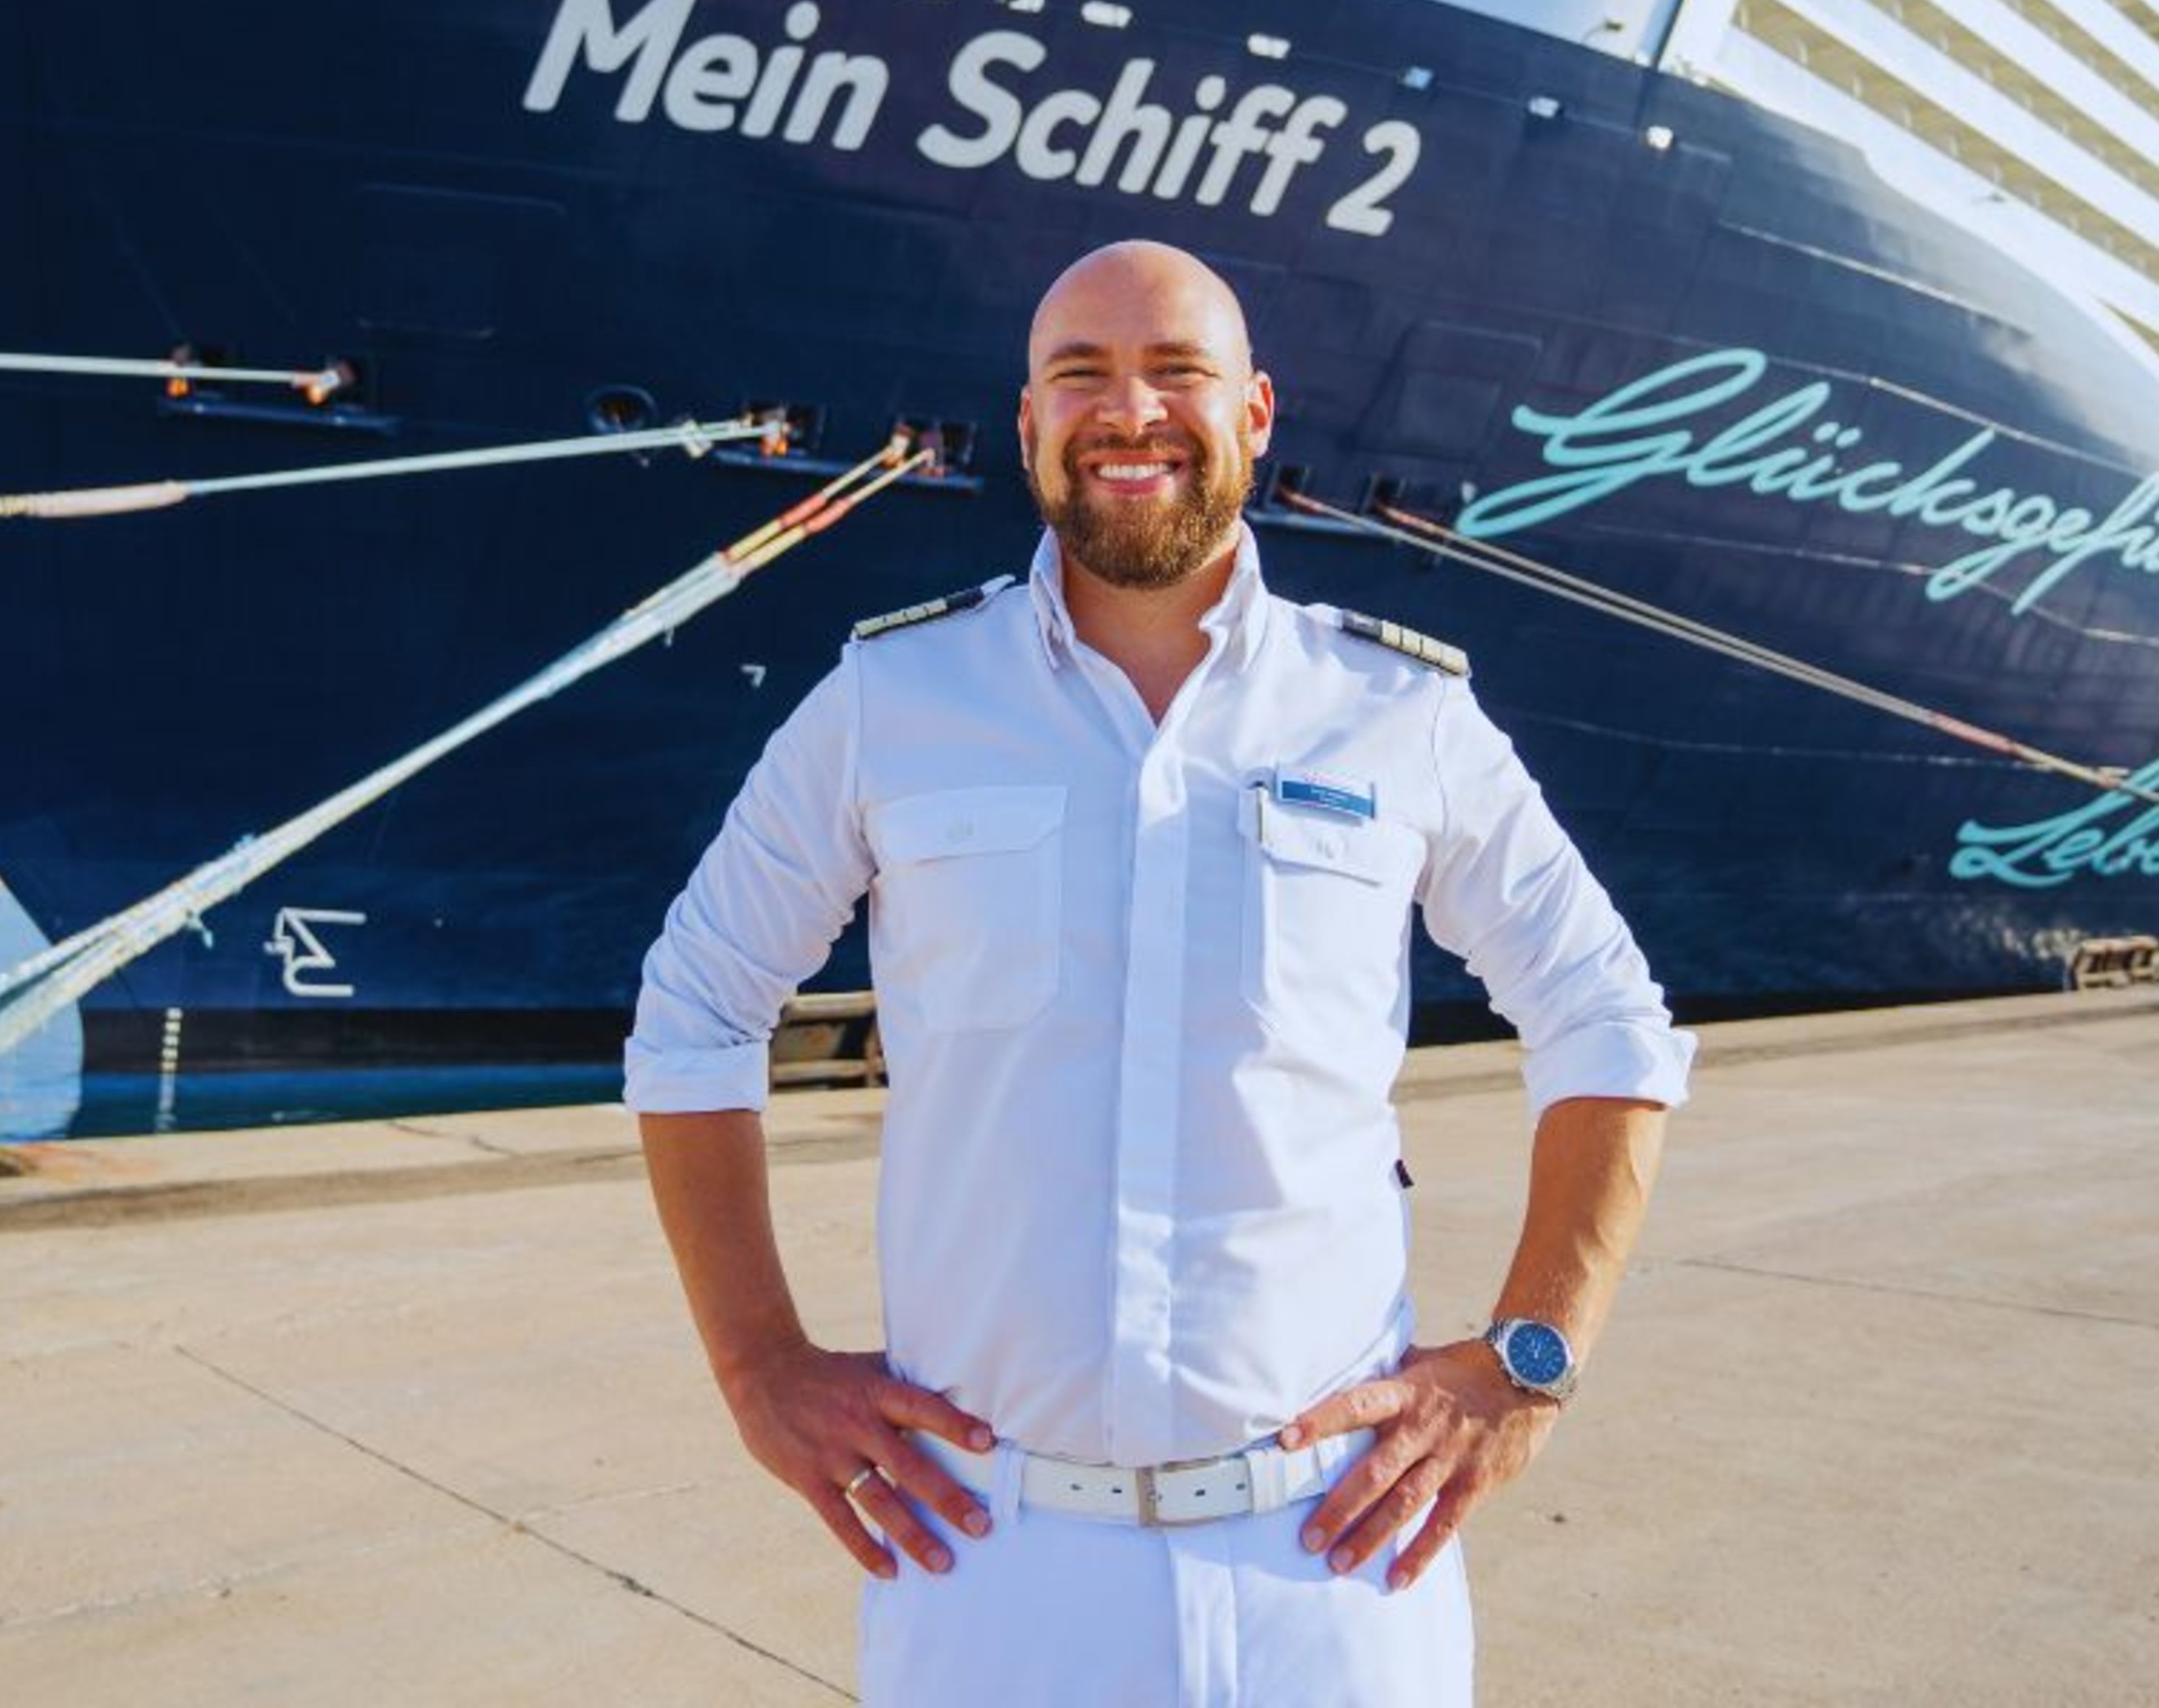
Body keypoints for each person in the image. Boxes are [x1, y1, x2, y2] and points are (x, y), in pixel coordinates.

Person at [626, 239, 1693, 1705]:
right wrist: (760, 1365)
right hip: (987, 1566)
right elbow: (695, 1007)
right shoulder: (894, 701)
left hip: (1335, 1562)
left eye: (1176, 373)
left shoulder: (1395, 713)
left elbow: (1608, 1020)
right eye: (1083, 377)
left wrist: (1529, 1361)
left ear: (1255, 414)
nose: (1131, 414)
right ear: (1028, 427)